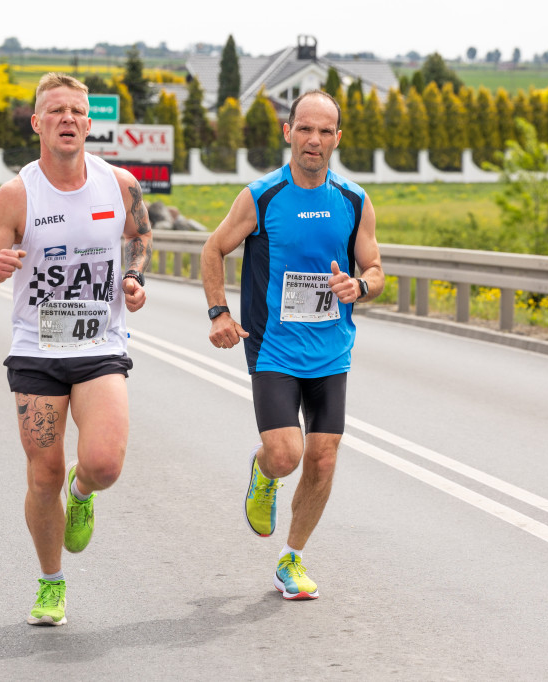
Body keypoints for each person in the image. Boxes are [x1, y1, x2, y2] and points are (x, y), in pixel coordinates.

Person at [0, 73, 152, 626]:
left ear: (89, 123)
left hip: (100, 343)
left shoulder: (119, 184)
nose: (67, 118)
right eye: (56, 111)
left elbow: (139, 236)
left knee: (104, 465)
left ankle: (84, 489)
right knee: (42, 475)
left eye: (76, 110)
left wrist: (134, 279)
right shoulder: (17, 194)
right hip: (37, 350)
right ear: (37, 123)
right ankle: (50, 583)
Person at [201, 90, 384, 601]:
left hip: (331, 349)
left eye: (326, 131)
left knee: (323, 459)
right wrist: (219, 311)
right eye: (305, 128)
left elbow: (375, 269)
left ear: (338, 139)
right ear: (288, 132)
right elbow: (213, 247)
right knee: (286, 454)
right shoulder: (262, 196)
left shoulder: (353, 200)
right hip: (274, 348)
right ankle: (264, 475)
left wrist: (360, 287)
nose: (314, 140)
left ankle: (292, 558)